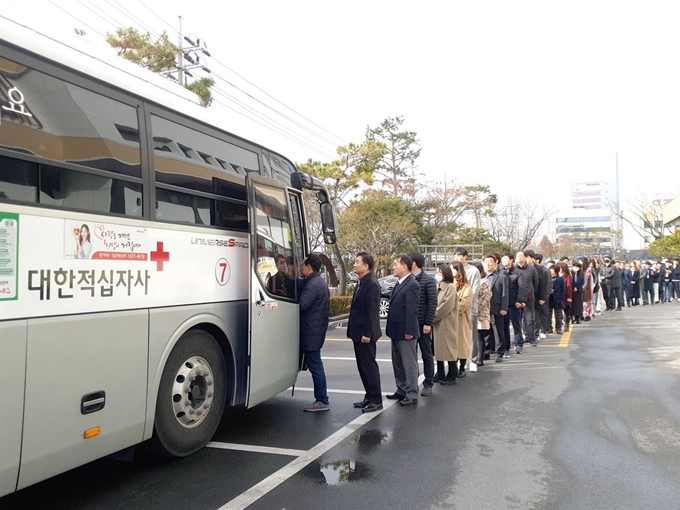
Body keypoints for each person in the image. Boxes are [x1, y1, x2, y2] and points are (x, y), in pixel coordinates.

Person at [347, 252, 383, 413]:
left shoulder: (372, 284)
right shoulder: (361, 282)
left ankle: (376, 399)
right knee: (362, 366)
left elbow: (372, 312)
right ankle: (368, 396)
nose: (354, 265)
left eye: (357, 262)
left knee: (369, 366)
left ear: (366, 266)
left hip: (365, 334)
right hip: (357, 332)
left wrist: (368, 333)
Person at [385, 255, 421, 406]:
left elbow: (412, 311)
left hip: (406, 332)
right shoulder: (399, 283)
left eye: (395, 264)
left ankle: (412, 393)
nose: (393, 267)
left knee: (409, 363)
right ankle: (401, 389)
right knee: (398, 363)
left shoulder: (412, 284)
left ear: (404, 267)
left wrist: (409, 331)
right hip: (395, 330)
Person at [299, 254, 331, 412]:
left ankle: (322, 400)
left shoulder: (313, 285)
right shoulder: (317, 282)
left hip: (311, 332)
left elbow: (302, 305)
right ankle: (322, 399)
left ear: (309, 267)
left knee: (316, 367)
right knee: (316, 365)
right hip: (315, 330)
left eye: (303, 265)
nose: (300, 267)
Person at [408, 252, 437, 395]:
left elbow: (432, 302)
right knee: (410, 355)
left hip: (422, 323)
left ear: (413, 263)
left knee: (426, 354)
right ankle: (412, 385)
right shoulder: (407, 279)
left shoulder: (428, 280)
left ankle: (428, 384)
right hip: (410, 324)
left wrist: (428, 322)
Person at [432, 264, 459, 384]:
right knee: (439, 350)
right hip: (438, 324)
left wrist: (432, 317)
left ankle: (452, 375)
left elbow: (446, 306)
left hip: (446, 323)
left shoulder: (450, 287)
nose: (437, 275)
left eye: (439, 272)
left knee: (448, 349)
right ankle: (441, 373)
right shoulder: (439, 286)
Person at [453, 248, 480, 369]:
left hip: (469, 308)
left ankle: (473, 360)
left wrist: (465, 302)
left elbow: (474, 290)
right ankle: (458, 359)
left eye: (459, 255)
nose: (457, 258)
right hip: (454, 309)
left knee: (470, 335)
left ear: (465, 257)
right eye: (455, 255)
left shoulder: (473, 271)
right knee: (457, 336)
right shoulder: (453, 269)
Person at [482, 253, 509, 361]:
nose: (488, 264)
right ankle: (486, 351)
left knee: (498, 331)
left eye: (490, 262)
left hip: (497, 307)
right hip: (484, 309)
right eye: (486, 262)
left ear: (495, 263)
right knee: (485, 331)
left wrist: (504, 308)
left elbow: (505, 294)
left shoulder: (501, 276)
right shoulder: (482, 276)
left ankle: (499, 352)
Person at [450, 261, 474, 366]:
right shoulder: (449, 284)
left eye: (453, 269)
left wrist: (449, 308)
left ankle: (462, 367)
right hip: (450, 319)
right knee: (452, 343)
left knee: (462, 343)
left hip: (462, 318)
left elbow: (464, 303)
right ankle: (453, 366)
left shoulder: (466, 286)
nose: (451, 271)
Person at [515, 250, 539, 350]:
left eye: (521, 256)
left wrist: (531, 291)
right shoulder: (513, 269)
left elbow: (536, 283)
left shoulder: (532, 269)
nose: (520, 257)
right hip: (516, 298)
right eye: (518, 256)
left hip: (529, 296)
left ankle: (530, 337)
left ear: (525, 257)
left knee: (529, 317)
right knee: (516, 319)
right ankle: (518, 338)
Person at [470, 261, 490, 370]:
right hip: (473, 311)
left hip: (481, 313)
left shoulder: (484, 282)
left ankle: (480, 358)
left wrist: (476, 308)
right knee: (474, 337)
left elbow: (486, 298)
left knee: (480, 337)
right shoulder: (472, 282)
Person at [501, 253, 521, 350]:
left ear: (511, 260)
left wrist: (519, 300)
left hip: (514, 303)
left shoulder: (517, 272)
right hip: (503, 303)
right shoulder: (500, 271)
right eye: (502, 259)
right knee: (505, 326)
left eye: (506, 259)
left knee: (516, 324)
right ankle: (506, 346)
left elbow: (522, 288)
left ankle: (519, 343)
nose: (504, 261)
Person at [549, 265, 566, 333]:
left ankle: (558, 328)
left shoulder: (560, 279)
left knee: (558, 315)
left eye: (552, 269)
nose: (550, 271)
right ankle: (549, 328)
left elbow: (563, 290)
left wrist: (561, 298)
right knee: (548, 315)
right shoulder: (548, 278)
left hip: (557, 299)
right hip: (549, 299)